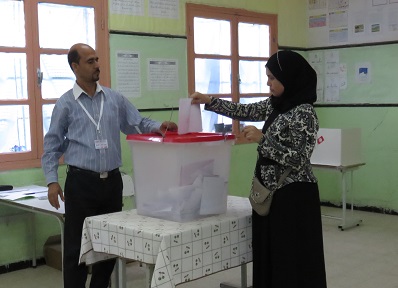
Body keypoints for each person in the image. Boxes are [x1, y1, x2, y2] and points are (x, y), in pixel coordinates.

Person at [42, 43, 177, 288]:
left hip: (112, 183)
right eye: (90, 61)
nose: (97, 65)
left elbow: (136, 122)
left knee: (110, 245)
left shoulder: (114, 98)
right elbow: (52, 145)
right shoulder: (65, 104)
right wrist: (52, 181)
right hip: (81, 184)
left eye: (97, 59)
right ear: (75, 66)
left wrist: (158, 126)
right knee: (76, 248)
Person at [190, 50, 327, 288]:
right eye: (267, 76)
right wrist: (210, 101)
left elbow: (299, 158)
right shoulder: (276, 105)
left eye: (273, 77)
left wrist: (263, 139)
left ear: (290, 78)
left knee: (289, 256)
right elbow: (244, 111)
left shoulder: (304, 112)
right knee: (270, 252)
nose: (268, 83)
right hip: (269, 194)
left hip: (292, 197)